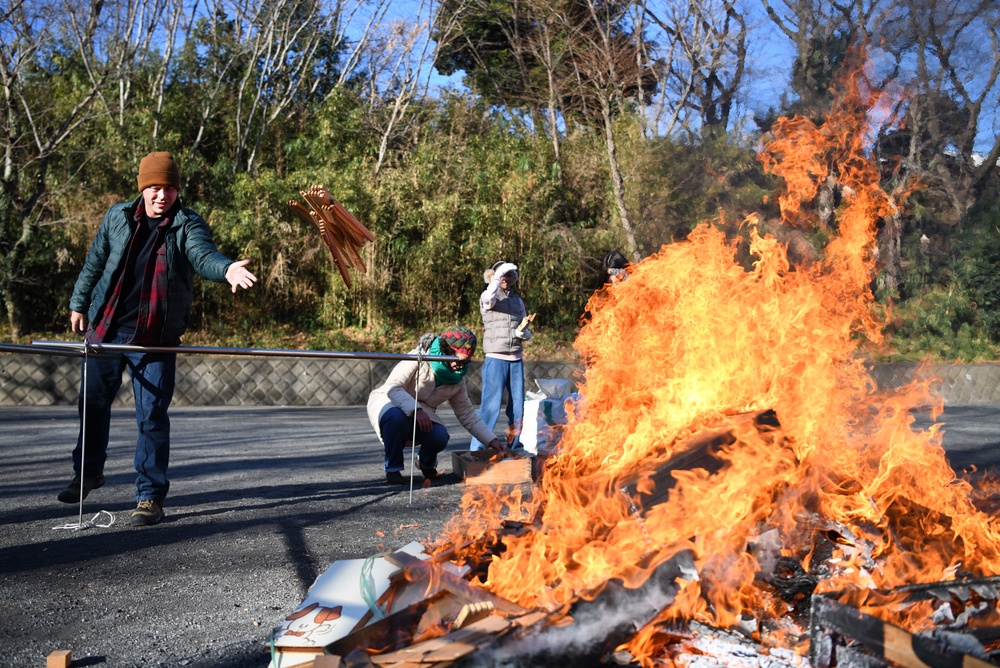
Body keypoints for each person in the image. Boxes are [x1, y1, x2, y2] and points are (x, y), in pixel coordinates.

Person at [59, 151, 258, 526]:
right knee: (92, 403)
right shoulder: (118, 217)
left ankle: (149, 497)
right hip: (107, 328)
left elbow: (204, 256)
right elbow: (94, 262)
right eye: (154, 187)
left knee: (151, 416)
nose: (161, 195)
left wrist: (227, 268)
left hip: (155, 338)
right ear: (143, 188)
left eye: (168, 187)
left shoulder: (187, 224)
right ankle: (87, 472)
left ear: (176, 190)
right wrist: (78, 303)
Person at [367, 327, 505, 484]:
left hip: (423, 413)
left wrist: (491, 441)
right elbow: (393, 387)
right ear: (446, 351)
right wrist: (416, 410)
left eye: (467, 361)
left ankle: (426, 464)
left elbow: (467, 415)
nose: (461, 366)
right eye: (459, 361)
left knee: (440, 436)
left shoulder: (457, 380)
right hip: (389, 401)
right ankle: (393, 470)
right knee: (396, 418)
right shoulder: (419, 356)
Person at [469, 261, 532, 453]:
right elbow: (488, 298)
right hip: (496, 358)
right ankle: (478, 448)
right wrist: (496, 277)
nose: (506, 279)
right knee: (490, 406)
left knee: (517, 408)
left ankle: (513, 446)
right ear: (494, 276)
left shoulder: (517, 300)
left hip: (516, 358)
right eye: (503, 275)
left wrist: (524, 334)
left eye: (510, 275)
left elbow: (524, 326)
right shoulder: (489, 296)